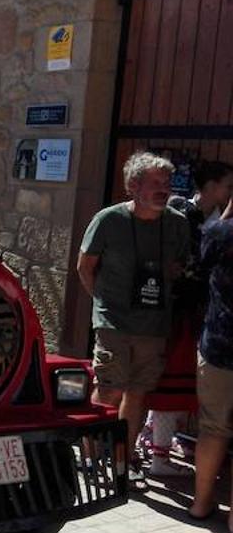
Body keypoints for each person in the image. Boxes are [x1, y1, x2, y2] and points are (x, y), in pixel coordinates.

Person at [77, 152, 190, 484]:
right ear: (133, 185)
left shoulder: (177, 224)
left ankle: (121, 459)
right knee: (109, 389)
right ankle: (90, 457)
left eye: (166, 183)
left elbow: (179, 266)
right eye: (156, 183)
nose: (163, 189)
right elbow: (85, 267)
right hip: (113, 322)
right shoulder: (107, 220)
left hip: (154, 324)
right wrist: (103, 304)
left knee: (138, 392)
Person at [148, 160, 233, 475]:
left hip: (197, 312)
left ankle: (160, 443)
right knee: (166, 383)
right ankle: (159, 454)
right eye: (226, 185)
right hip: (176, 310)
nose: (229, 191)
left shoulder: (212, 219)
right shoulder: (181, 212)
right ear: (210, 186)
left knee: (179, 385)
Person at [188, 198, 233, 532]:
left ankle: (201, 503)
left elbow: (200, 265)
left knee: (213, 428)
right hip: (219, 342)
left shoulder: (219, 233)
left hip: (219, 342)